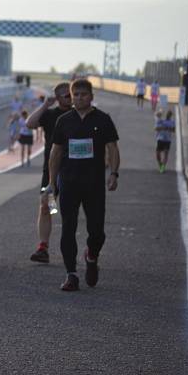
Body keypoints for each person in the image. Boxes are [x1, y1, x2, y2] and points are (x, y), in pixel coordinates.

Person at [48, 78, 119, 291]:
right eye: (75, 95)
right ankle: (71, 274)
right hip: (68, 182)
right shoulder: (64, 120)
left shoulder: (103, 119)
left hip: (94, 183)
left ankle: (91, 255)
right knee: (68, 228)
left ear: (91, 96)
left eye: (83, 94)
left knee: (97, 231)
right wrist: (52, 182)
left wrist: (114, 173)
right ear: (71, 97)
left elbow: (113, 148)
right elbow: (56, 152)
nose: (79, 98)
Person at [25, 82, 72, 263]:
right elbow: (30, 123)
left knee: (70, 211)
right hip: (52, 172)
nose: (70, 98)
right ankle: (43, 247)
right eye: (66, 95)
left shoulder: (79, 115)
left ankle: (76, 249)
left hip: (75, 171)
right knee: (47, 207)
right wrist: (45, 104)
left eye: (71, 94)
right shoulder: (51, 115)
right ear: (58, 98)